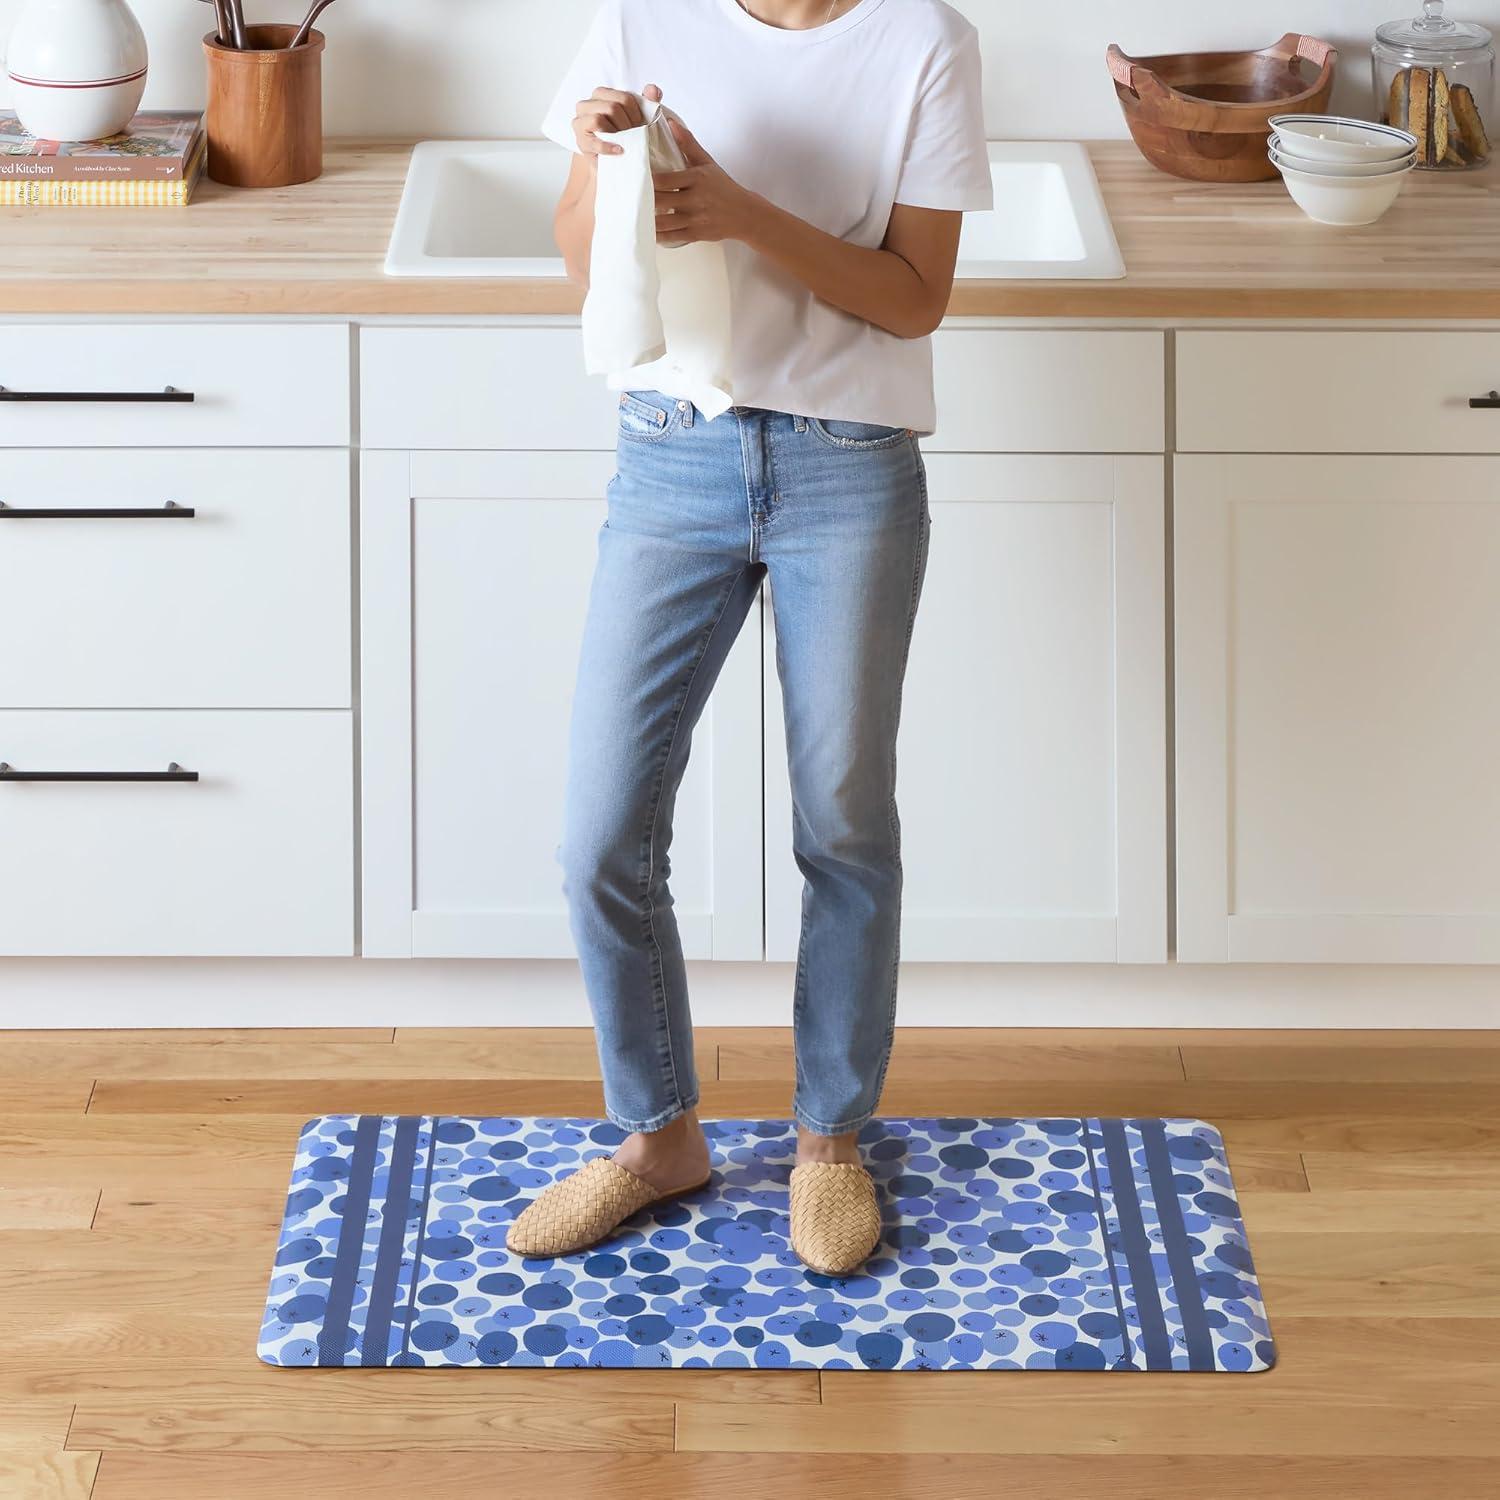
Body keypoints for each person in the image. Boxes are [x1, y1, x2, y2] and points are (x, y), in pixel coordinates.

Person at [507, 0, 993, 1276]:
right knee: (600, 834)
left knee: (843, 824)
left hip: (850, 468)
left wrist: (733, 211)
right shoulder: (635, 21)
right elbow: (576, 259)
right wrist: (616, 167)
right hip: (673, 460)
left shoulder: (923, 41)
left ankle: (831, 1144)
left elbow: (916, 297)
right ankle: (658, 1137)